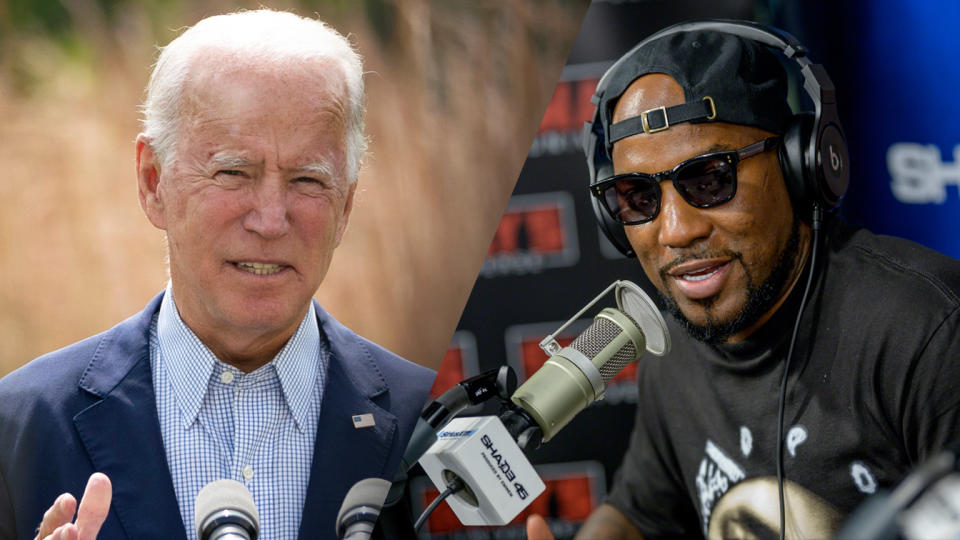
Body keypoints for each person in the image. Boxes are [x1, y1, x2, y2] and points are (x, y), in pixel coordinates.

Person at [0, 10, 434, 540]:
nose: (271, 220)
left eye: (307, 179)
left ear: (345, 205)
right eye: (233, 172)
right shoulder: (20, 427)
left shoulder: (431, 424)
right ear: (153, 181)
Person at [528, 21, 960, 540]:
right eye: (638, 198)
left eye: (709, 179)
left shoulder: (928, 333)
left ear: (800, 163)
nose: (676, 231)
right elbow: (640, 514)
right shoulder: (677, 349)